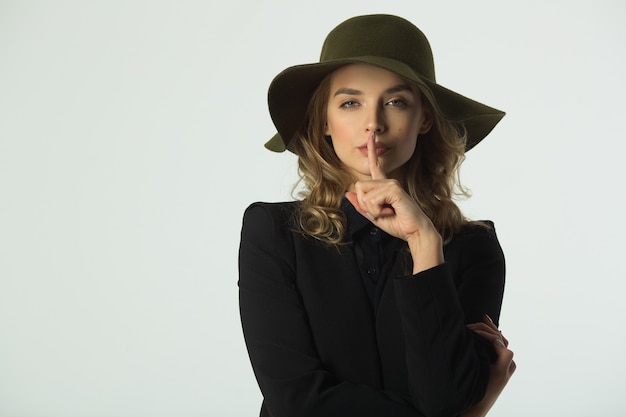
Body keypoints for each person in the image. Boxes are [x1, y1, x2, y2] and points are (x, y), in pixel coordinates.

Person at [239, 14, 515, 417]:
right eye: (350, 103)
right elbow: (296, 400)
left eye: (395, 102)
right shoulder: (274, 233)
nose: (373, 124)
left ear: (425, 119)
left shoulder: (472, 246)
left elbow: (445, 397)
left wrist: (424, 244)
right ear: (324, 123)